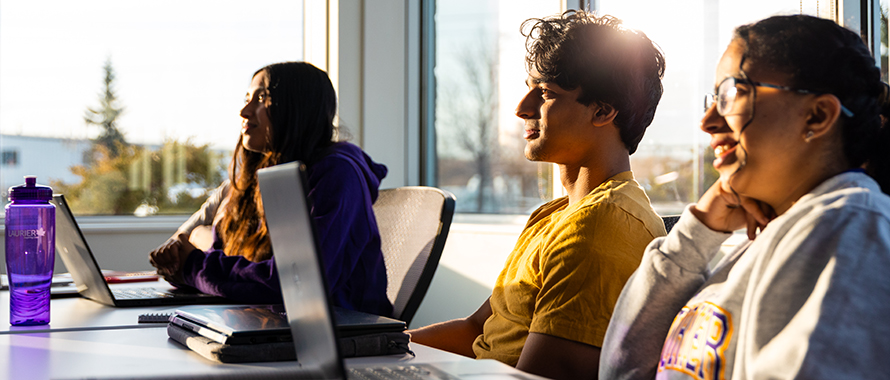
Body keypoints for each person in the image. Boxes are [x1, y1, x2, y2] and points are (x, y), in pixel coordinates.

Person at [599, 15, 890, 380]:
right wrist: (698, 229)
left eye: (732, 93)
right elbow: (621, 370)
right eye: (712, 97)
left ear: (816, 115)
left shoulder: (850, 227)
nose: (707, 121)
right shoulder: (769, 236)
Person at [409, 10, 667, 380]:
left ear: (603, 111)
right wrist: (374, 351)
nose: (522, 108)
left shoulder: (597, 228)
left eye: (546, 93)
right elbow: (475, 330)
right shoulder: (555, 215)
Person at [149, 62, 393, 317]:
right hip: (264, 322)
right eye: (247, 98)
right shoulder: (257, 180)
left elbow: (297, 284)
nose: (244, 111)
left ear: (297, 107)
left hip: (345, 337)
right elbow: (228, 263)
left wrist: (193, 267)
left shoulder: (338, 175)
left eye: (261, 98)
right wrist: (179, 267)